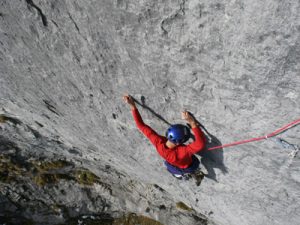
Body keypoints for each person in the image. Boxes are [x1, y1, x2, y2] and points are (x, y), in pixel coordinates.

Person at [123, 94, 206, 185]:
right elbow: (200, 144)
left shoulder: (158, 142)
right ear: (179, 143)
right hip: (190, 165)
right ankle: (191, 173)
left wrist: (132, 106)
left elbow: (141, 125)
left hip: (173, 163)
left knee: (172, 169)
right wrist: (192, 122)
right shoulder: (182, 152)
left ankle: (183, 175)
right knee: (194, 165)